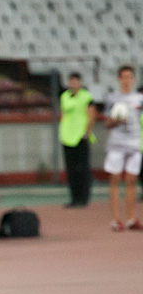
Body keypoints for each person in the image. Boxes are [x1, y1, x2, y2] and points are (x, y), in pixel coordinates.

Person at [103, 65, 143, 231]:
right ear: (119, 79)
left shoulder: (139, 99)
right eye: (124, 77)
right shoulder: (112, 98)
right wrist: (116, 121)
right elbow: (106, 123)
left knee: (132, 180)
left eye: (130, 77)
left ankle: (131, 218)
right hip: (117, 144)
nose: (127, 80)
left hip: (134, 144)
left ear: (133, 79)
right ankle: (115, 219)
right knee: (115, 179)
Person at [59, 73, 97, 208]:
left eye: (76, 81)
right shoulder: (64, 96)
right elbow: (63, 115)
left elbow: (92, 115)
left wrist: (86, 133)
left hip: (80, 137)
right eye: (71, 81)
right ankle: (74, 198)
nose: (74, 84)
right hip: (67, 137)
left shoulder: (86, 96)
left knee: (82, 169)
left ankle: (84, 198)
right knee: (71, 169)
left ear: (80, 83)